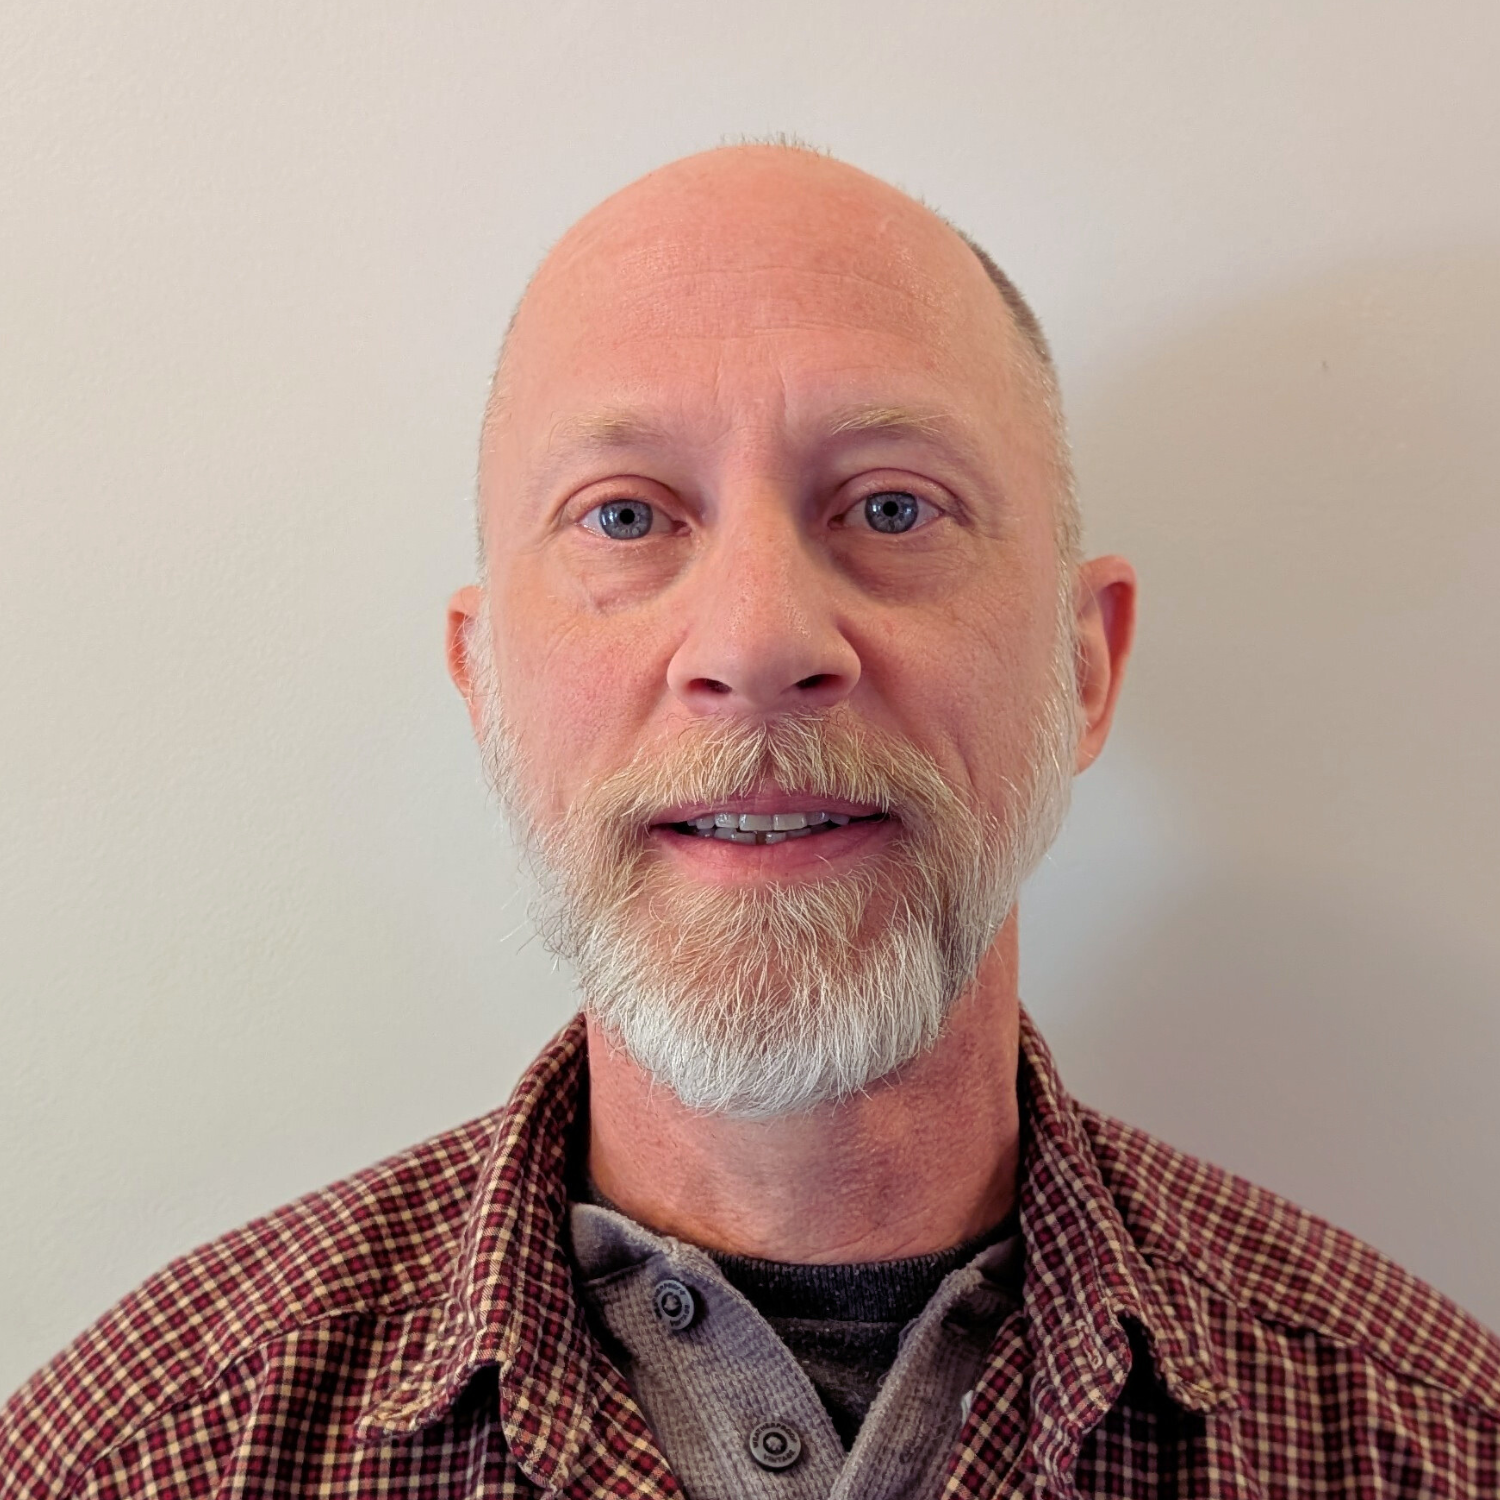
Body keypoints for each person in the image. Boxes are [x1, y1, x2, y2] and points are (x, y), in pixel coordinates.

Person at [3, 143, 1496, 1500]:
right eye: (629, 515)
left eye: (894, 507)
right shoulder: (138, 1456)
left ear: (1083, 664)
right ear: (483, 684)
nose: (762, 639)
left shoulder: (1432, 1445)